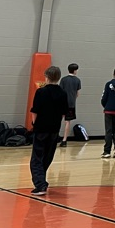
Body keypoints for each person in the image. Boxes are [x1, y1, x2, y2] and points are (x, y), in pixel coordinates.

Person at [29, 65, 69, 195]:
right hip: (54, 129)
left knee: (36, 158)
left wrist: (34, 125)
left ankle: (40, 184)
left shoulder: (41, 92)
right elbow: (64, 114)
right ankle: (42, 181)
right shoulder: (63, 93)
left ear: (46, 77)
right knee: (47, 156)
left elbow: (35, 111)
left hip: (41, 128)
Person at [59, 62, 81, 148]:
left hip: (62, 103)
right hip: (71, 104)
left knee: (58, 119)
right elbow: (77, 94)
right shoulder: (77, 80)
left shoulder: (63, 79)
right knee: (67, 121)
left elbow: (60, 91)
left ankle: (54, 136)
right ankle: (64, 140)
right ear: (75, 71)